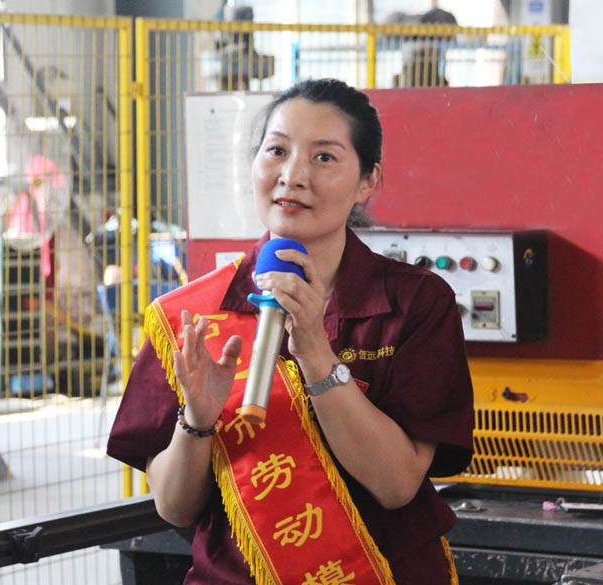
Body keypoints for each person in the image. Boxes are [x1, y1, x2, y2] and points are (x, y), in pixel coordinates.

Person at [107, 78, 474, 585]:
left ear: (367, 181)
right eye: (277, 150)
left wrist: (318, 356)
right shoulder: (191, 317)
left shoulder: (416, 303)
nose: (293, 176)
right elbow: (173, 507)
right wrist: (198, 420)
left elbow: (396, 485)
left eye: (324, 157)